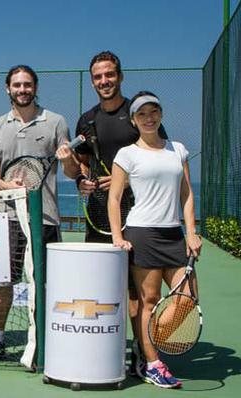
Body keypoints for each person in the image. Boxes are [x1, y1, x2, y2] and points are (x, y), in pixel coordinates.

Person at [0, 65, 74, 363]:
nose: (22, 89)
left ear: (35, 87)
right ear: (8, 89)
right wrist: (5, 186)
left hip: (46, 219)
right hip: (8, 218)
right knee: (3, 282)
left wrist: (68, 160)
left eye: (27, 84)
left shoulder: (55, 122)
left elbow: (69, 170)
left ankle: (46, 339)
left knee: (45, 282)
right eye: (17, 85)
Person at [110, 91, 201, 389]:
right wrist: (117, 237)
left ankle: (147, 345)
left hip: (173, 235)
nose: (149, 118)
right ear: (134, 121)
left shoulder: (178, 149)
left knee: (187, 299)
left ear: (160, 114)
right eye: (142, 114)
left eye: (154, 112)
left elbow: (186, 194)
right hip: (142, 233)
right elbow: (115, 198)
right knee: (148, 300)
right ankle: (153, 363)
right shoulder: (127, 154)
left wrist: (191, 232)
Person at [63, 51, 146, 377]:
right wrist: (82, 180)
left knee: (136, 290)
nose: (104, 81)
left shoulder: (138, 113)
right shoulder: (87, 119)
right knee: (103, 287)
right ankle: (106, 351)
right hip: (98, 214)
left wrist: (127, 179)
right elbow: (81, 166)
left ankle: (142, 352)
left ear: (120, 77)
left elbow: (157, 156)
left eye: (109, 75)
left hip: (138, 215)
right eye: (98, 77)